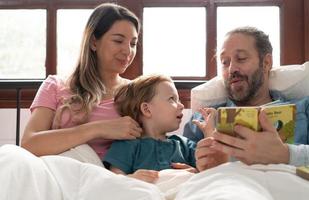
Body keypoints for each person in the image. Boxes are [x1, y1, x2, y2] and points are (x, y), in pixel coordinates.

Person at [21, 3, 143, 158]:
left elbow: (153, 143)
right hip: (57, 173)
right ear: (93, 42)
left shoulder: (137, 93)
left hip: (107, 177)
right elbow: (29, 144)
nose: (128, 51)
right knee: (9, 156)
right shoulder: (55, 85)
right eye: (118, 41)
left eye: (133, 43)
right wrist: (98, 129)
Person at [183, 26, 309, 171]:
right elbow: (177, 169)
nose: (231, 69)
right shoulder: (203, 119)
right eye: (225, 62)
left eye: (241, 59)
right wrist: (198, 167)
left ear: (266, 63)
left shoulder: (304, 109)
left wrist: (286, 155)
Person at [103, 74, 216, 183]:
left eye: (179, 100)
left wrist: (209, 133)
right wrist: (132, 178)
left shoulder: (184, 145)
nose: (181, 106)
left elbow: (210, 169)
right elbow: (115, 180)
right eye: (172, 99)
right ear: (147, 109)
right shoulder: (127, 144)